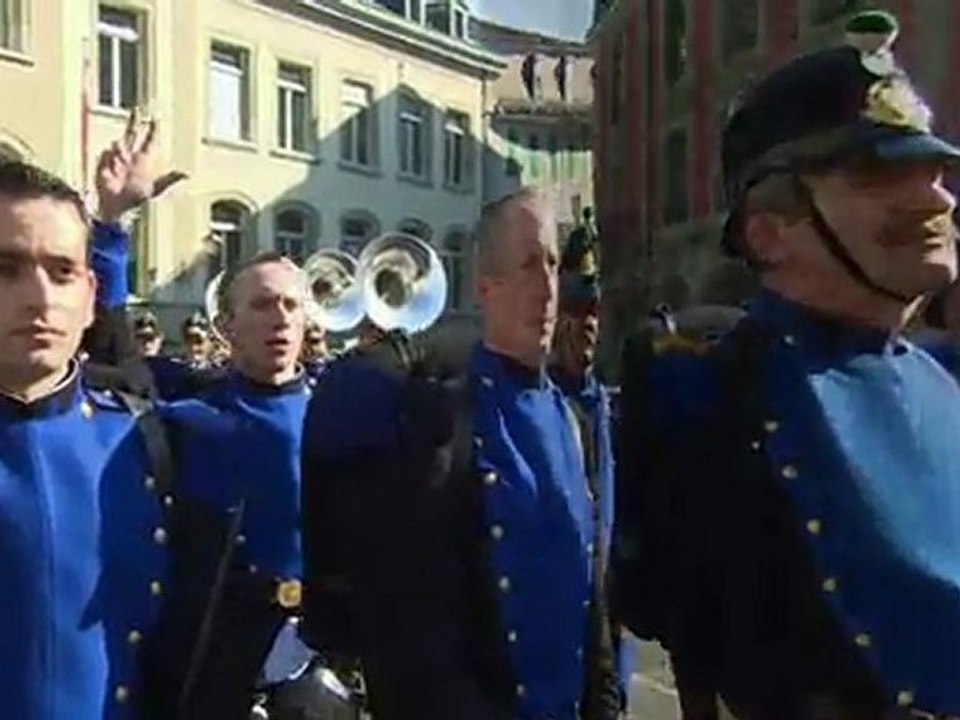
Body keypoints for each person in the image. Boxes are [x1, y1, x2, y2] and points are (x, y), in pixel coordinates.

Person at [616, 15, 960, 719]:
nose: (938, 198)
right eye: (878, 174)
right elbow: (672, 613)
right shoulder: (712, 399)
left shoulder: (939, 379)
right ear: (770, 233)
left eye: (934, 170)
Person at [301, 187, 621, 720]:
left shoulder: (574, 419)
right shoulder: (438, 417)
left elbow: (590, 590)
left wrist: (605, 701)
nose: (547, 288)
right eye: (527, 266)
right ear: (486, 286)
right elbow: (414, 625)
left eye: (551, 264)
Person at [0, 159, 240, 719]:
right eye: (5, 269)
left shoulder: (152, 443)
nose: (39, 298)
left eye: (62, 271)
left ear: (90, 296)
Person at [549, 242, 635, 713]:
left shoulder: (603, 403)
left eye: (594, 313)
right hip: (560, 623)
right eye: (575, 312)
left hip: (607, 621)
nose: (587, 325)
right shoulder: (543, 402)